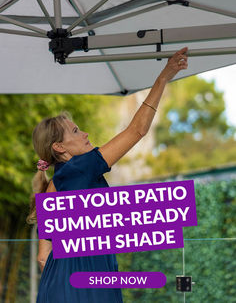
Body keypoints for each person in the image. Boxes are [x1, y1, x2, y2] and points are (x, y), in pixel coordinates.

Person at [26, 47, 188, 303]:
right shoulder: (81, 167)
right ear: (59, 147)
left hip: (58, 289)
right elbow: (137, 130)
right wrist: (163, 77)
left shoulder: (55, 183)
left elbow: (43, 256)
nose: (85, 134)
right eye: (76, 131)